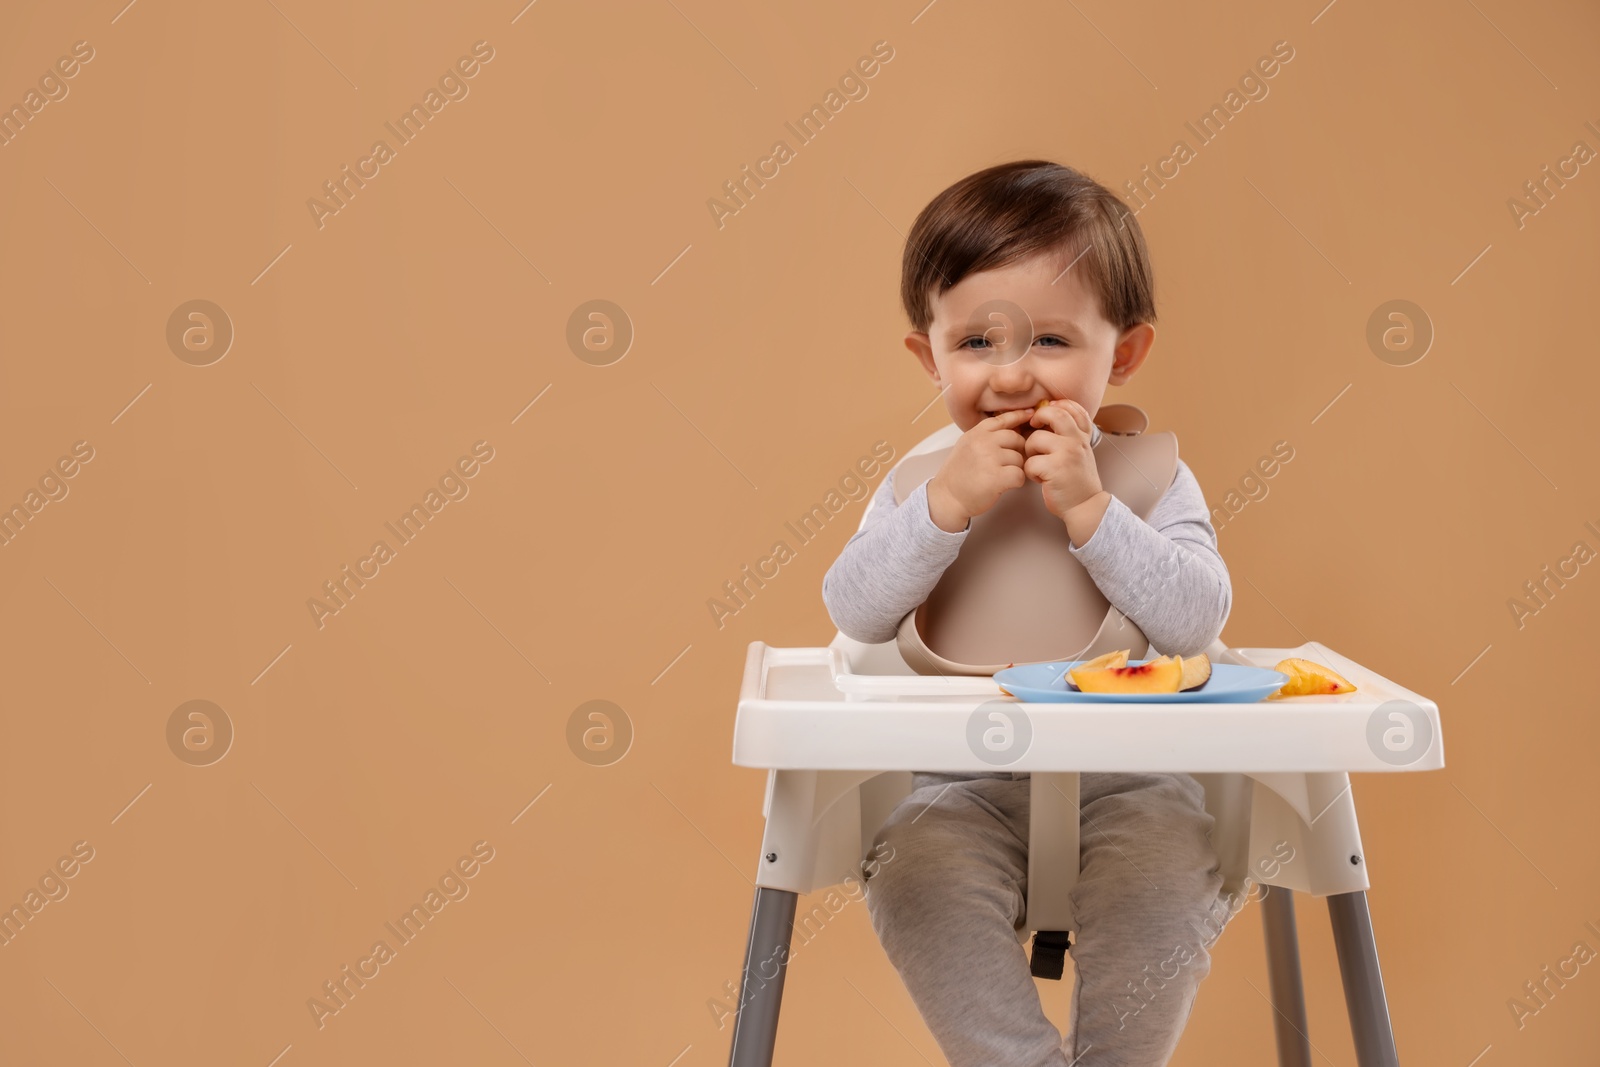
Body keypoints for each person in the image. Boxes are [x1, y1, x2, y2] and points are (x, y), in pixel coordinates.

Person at [821, 160, 1235, 1066]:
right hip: (963, 784)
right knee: (911, 870)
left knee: (1168, 872)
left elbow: (1197, 616)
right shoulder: (919, 483)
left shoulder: (1149, 473)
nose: (1011, 375)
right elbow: (853, 609)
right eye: (976, 344)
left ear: (1120, 352)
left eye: (1049, 339)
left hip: (1134, 779)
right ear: (928, 356)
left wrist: (1095, 511)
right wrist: (943, 510)